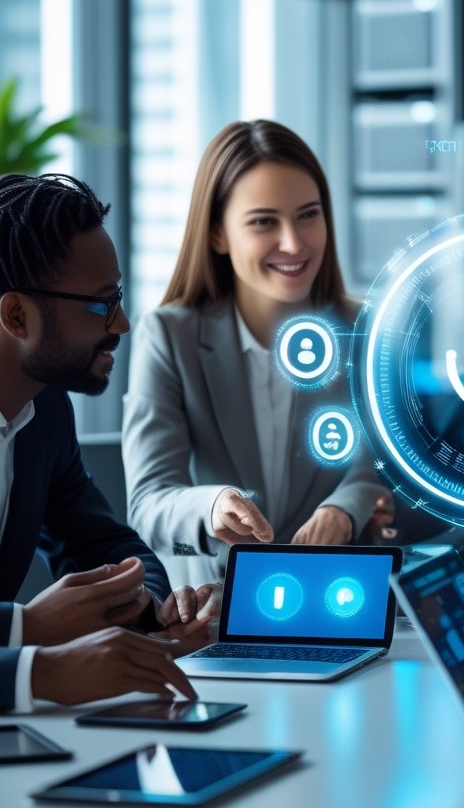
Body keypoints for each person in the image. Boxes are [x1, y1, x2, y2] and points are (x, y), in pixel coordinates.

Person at [0, 173, 215, 713]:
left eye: (119, 298)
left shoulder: (44, 412)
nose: (123, 324)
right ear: (16, 316)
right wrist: (30, 642)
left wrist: (152, 609)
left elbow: (103, 542)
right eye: (102, 304)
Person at [123, 120, 387, 587]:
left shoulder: (367, 331)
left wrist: (344, 510)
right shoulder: (168, 335)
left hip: (339, 598)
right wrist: (212, 506)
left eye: (308, 215)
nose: (293, 243)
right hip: (215, 603)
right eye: (264, 221)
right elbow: (148, 503)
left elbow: (380, 466)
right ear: (218, 234)